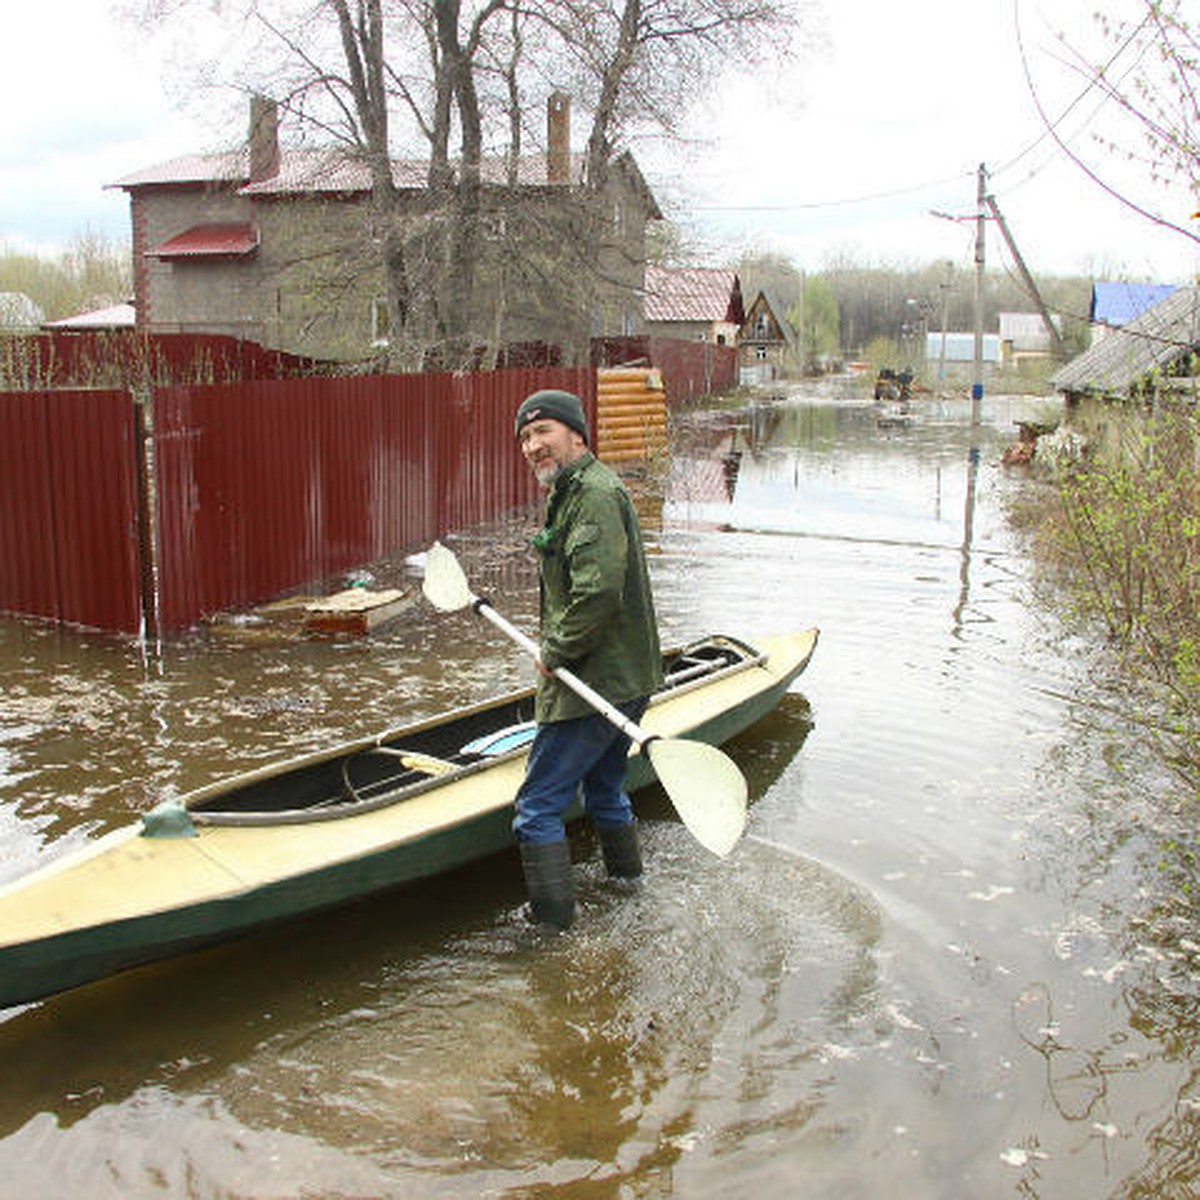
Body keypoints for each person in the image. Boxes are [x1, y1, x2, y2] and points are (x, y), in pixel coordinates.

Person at [511, 388, 663, 930]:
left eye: (543, 432)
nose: (532, 446)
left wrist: (555, 649)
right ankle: (628, 887)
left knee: (537, 807)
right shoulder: (570, 490)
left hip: (594, 679)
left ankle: (551, 933)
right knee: (603, 786)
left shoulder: (594, 494)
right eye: (525, 438)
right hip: (626, 677)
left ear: (577, 433)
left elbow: (597, 595)